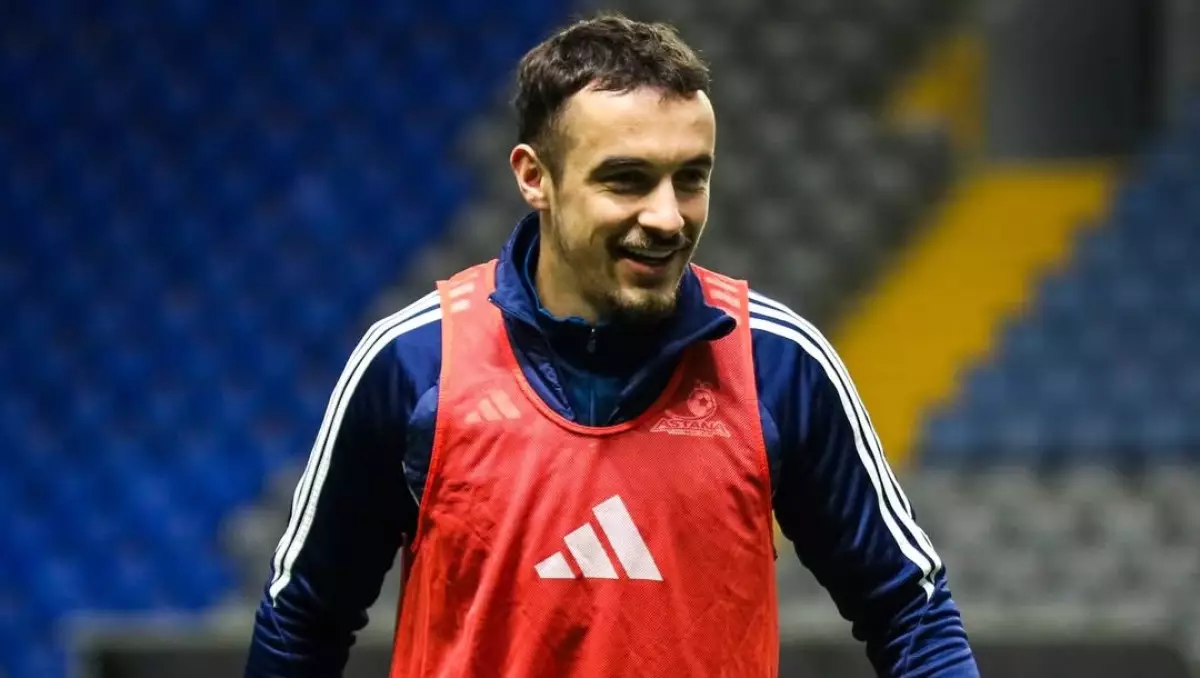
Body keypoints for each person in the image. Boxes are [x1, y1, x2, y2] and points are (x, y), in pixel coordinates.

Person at [245, 12, 978, 678]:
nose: (667, 217)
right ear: (535, 177)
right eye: (627, 181)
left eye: (690, 179)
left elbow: (908, 610)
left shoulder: (779, 365)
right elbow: (303, 622)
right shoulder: (413, 363)